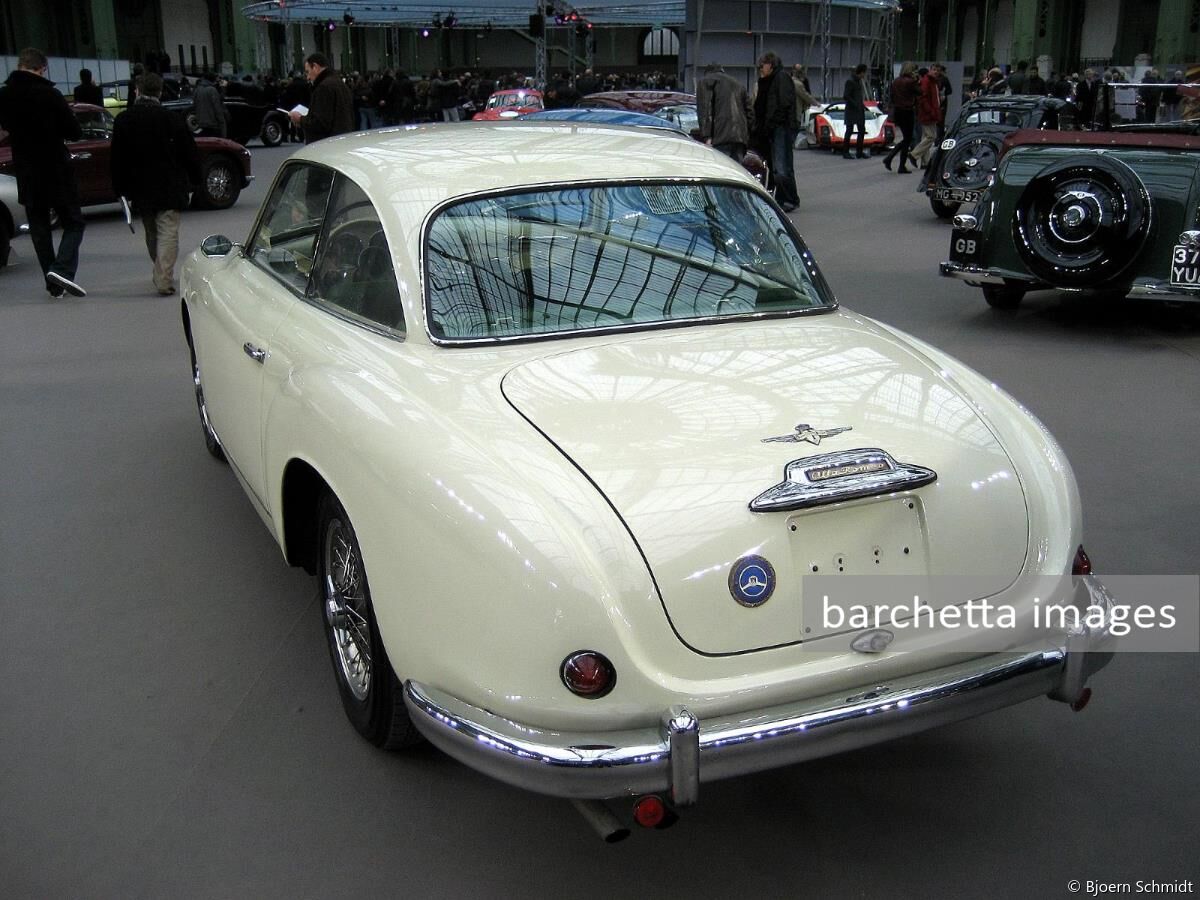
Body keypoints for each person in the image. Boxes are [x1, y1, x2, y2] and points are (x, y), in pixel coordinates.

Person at [0, 47, 87, 297]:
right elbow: (74, 131)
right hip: (55, 167)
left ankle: (53, 284)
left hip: (26, 170)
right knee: (73, 222)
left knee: (39, 228)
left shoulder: (4, 95)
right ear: (42, 68)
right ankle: (62, 270)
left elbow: (5, 127)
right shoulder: (50, 95)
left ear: (19, 65)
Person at [110, 72, 201, 296]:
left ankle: (160, 270)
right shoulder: (172, 119)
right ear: (160, 92)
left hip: (140, 188)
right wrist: (195, 179)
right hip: (170, 184)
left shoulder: (123, 120)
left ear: (137, 91)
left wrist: (119, 188)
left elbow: (117, 158)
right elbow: (189, 153)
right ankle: (164, 276)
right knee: (168, 231)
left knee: (151, 232)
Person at [752, 52, 799, 212]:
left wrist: (773, 123)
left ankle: (789, 198)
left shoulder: (780, 78)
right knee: (778, 165)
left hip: (781, 128)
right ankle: (784, 197)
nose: (760, 68)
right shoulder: (768, 81)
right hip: (773, 128)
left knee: (781, 166)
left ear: (771, 64)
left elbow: (784, 104)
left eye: (763, 64)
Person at [290, 52, 355, 143]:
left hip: (326, 143)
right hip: (343, 139)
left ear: (315, 67)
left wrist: (300, 119)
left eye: (308, 72)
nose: (308, 77)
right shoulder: (339, 84)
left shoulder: (323, 87)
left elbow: (320, 123)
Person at [696, 62, 751, 163]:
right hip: (740, 138)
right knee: (736, 173)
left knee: (721, 171)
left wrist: (707, 136)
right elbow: (750, 113)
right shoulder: (738, 84)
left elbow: (705, 109)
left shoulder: (706, 81)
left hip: (720, 137)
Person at [882, 62, 919, 173]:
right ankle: (898, 164)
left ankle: (891, 159)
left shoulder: (896, 81)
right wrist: (917, 80)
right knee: (908, 139)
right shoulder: (911, 82)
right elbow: (920, 92)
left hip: (898, 111)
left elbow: (892, 96)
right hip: (907, 111)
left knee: (906, 138)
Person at [910, 63, 942, 169]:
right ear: (930, 70)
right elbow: (923, 98)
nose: (936, 72)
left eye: (938, 70)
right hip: (928, 113)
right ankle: (914, 154)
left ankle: (925, 162)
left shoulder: (931, 81)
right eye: (934, 69)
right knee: (931, 136)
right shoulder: (928, 81)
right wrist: (931, 111)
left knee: (926, 136)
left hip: (928, 112)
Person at [842, 63, 869, 159]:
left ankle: (859, 151)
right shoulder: (851, 81)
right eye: (864, 73)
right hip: (852, 110)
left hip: (858, 109)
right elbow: (846, 95)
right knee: (849, 130)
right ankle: (845, 152)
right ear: (861, 72)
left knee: (861, 130)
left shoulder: (857, 81)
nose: (864, 75)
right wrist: (855, 104)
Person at [192, 72, 227, 138]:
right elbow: (217, 108)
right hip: (212, 124)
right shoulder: (212, 90)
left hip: (201, 122)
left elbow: (194, 105)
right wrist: (222, 123)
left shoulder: (197, 89)